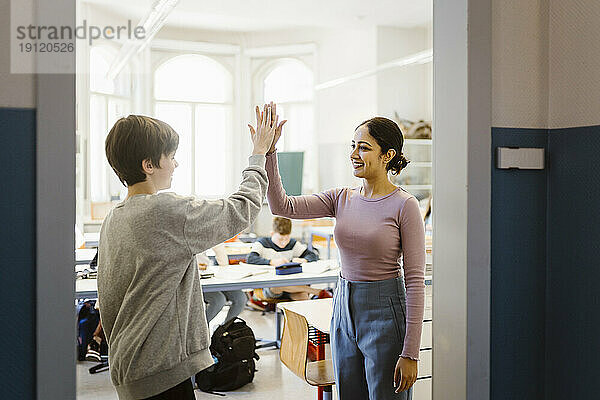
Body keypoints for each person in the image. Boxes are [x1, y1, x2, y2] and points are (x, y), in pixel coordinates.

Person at [98, 108, 279, 400]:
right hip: (160, 371)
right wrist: (259, 152)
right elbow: (242, 208)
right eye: (170, 156)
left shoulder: (114, 219)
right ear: (149, 165)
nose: (175, 163)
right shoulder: (164, 211)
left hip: (130, 366)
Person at [258, 104, 425, 400]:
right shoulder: (341, 198)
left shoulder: (405, 205)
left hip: (386, 311)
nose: (353, 155)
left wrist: (411, 352)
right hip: (343, 307)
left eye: (364, 148)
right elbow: (281, 206)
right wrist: (270, 154)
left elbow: (414, 281)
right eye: (353, 146)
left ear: (388, 156)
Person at [246, 216, 331, 301]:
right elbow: (250, 259)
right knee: (278, 285)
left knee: (303, 296)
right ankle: (318, 292)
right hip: (271, 288)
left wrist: (304, 260)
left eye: (286, 238)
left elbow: (312, 255)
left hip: (291, 287)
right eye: (280, 239)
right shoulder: (262, 243)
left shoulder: (292, 244)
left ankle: (296, 312)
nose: (283, 242)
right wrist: (271, 262)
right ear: (272, 234)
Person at [197, 248, 248, 324]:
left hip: (207, 274)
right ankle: (198, 329)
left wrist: (224, 270)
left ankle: (224, 329)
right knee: (218, 300)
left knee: (241, 298)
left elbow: (219, 248)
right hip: (193, 280)